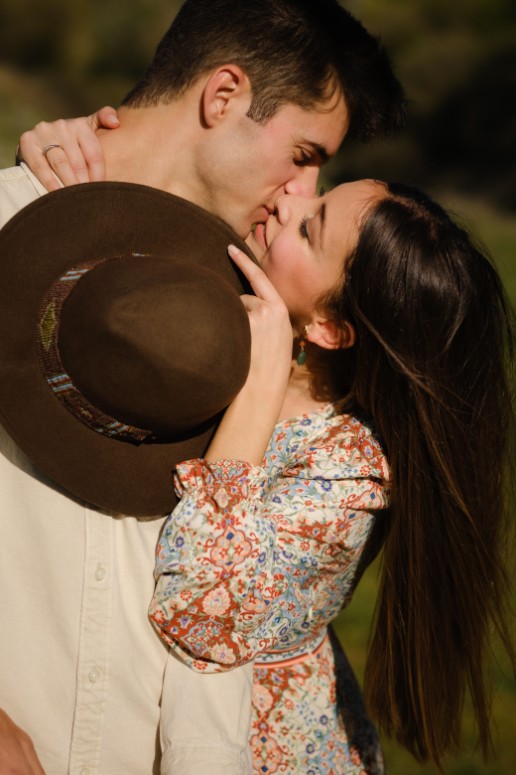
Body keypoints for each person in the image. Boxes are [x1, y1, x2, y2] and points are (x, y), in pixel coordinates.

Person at [0, 1, 406, 773]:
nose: (300, 191)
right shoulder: (7, 226)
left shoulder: (250, 317)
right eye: (304, 154)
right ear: (223, 97)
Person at [145, 180, 515, 773]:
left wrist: (261, 387)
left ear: (329, 327)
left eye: (308, 227)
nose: (285, 199)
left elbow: (203, 615)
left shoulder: (351, 476)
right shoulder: (228, 316)